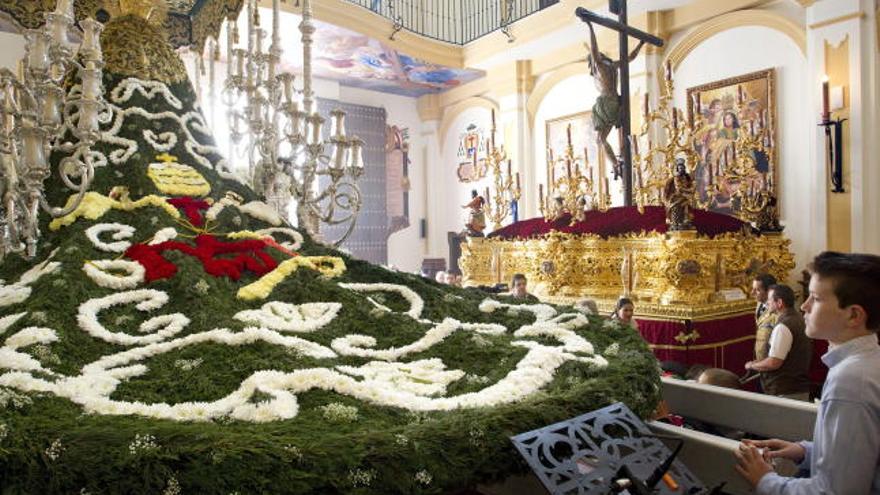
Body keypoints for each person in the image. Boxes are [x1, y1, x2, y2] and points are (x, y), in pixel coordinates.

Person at [734, 251, 880, 494]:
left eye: (815, 298)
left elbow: (835, 491)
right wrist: (807, 451)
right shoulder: (865, 363)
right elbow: (866, 454)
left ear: (853, 315)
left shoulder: (852, 381)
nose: (804, 306)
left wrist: (766, 481)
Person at [745, 284, 812, 401]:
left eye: (770, 300)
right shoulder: (798, 318)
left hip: (785, 392)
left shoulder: (783, 326)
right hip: (797, 389)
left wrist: (752, 365)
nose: (767, 303)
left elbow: (774, 363)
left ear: (779, 303)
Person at [751, 273, 778, 364]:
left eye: (757, 290)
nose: (752, 293)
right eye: (753, 289)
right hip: (761, 354)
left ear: (769, 291)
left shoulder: (778, 310)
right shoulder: (759, 304)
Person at [662, 159, 695, 230]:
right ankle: (676, 222)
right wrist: (687, 191)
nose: (681, 169)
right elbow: (679, 188)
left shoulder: (687, 177)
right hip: (676, 197)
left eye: (683, 168)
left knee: (686, 204)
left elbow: (691, 187)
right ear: (677, 169)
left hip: (686, 196)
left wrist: (689, 191)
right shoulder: (676, 178)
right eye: (680, 168)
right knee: (677, 205)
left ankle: (686, 220)